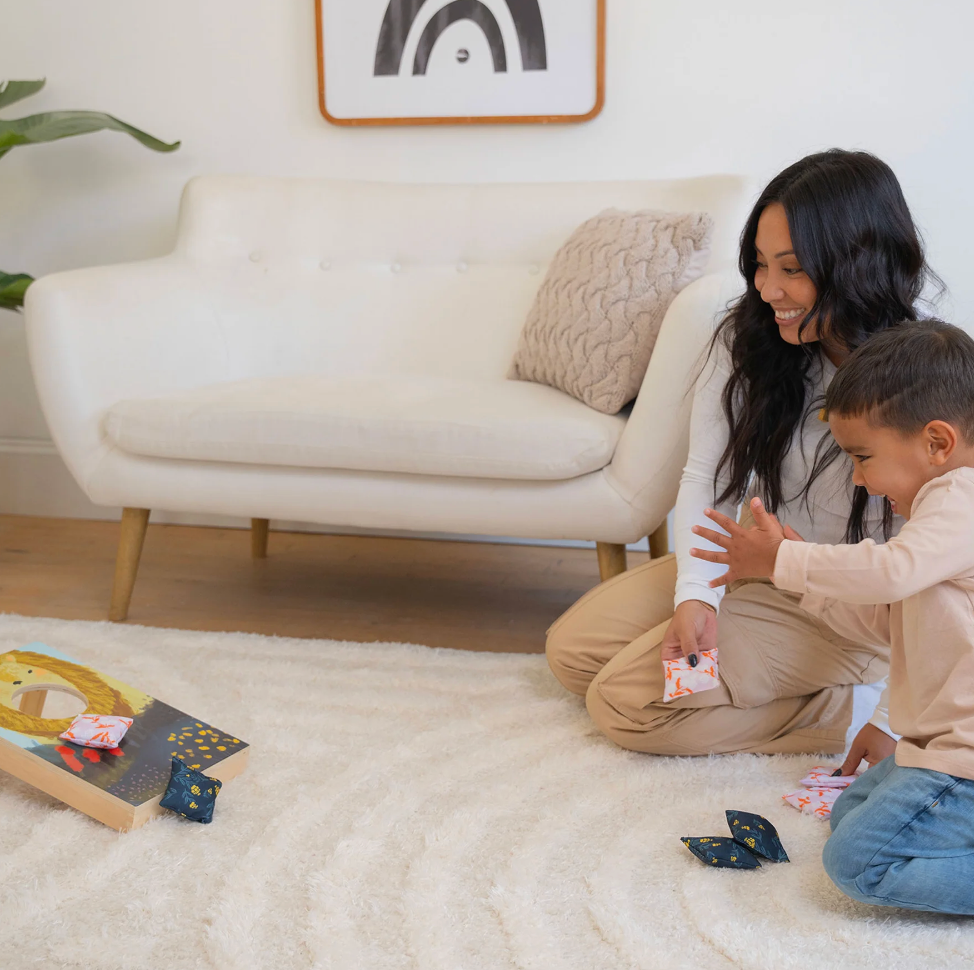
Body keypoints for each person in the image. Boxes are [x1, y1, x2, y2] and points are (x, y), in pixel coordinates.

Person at [546, 149, 941, 761]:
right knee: (572, 655)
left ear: (857, 266)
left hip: (849, 608)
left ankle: (824, 711)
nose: (767, 288)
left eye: (791, 269)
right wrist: (697, 596)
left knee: (622, 703)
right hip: (757, 564)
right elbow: (708, 476)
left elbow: (928, 576)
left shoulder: (923, 380)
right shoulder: (751, 337)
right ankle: (761, 675)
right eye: (759, 264)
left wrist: (893, 717)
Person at [690, 320, 974, 914]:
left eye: (864, 458)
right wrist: (791, 580)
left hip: (963, 761)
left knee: (856, 865)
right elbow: (884, 621)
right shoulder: (936, 523)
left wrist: (787, 560)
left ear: (938, 443)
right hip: (934, 745)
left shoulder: (962, 499)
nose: (859, 479)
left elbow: (890, 571)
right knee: (848, 812)